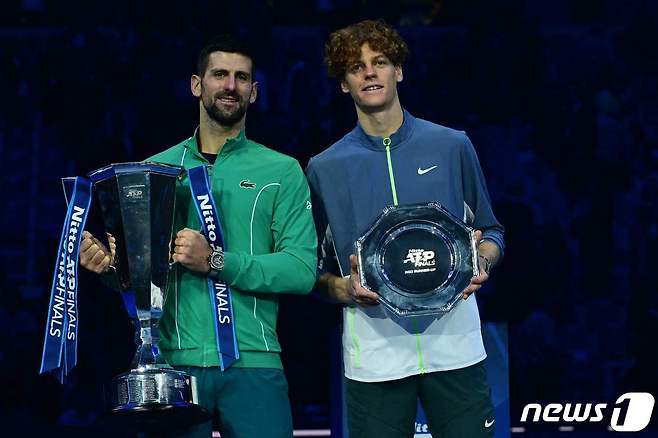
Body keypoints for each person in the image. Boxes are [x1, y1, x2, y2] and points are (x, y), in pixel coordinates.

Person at [80, 34, 317, 438]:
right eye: (219, 74)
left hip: (254, 363)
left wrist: (216, 261)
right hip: (173, 365)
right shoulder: (154, 169)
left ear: (254, 92)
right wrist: (108, 266)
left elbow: (301, 270)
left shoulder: (282, 170)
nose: (230, 86)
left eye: (241, 78)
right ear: (196, 84)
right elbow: (138, 278)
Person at [305, 20, 505, 438]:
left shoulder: (452, 146)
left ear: (399, 71)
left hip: (456, 349)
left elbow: (491, 231)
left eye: (379, 62)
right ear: (344, 83)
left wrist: (482, 261)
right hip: (374, 356)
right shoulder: (325, 168)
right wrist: (345, 289)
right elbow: (311, 270)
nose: (370, 73)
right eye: (356, 67)